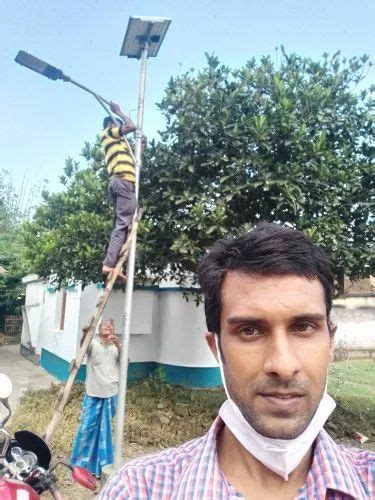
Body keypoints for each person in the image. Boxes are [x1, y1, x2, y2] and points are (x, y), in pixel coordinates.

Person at [99, 223, 374, 499]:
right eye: (250, 331)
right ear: (216, 348)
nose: (283, 365)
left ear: (330, 342)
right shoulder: (136, 490)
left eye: (303, 327)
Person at [70, 319, 121, 478]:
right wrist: (85, 333)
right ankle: (79, 467)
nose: (108, 325)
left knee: (104, 433)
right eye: (105, 323)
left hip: (111, 393)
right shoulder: (93, 344)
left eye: (111, 324)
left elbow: (126, 362)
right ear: (99, 329)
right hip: (93, 394)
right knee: (86, 429)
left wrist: (119, 344)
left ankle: (102, 468)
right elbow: (83, 347)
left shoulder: (116, 347)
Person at [101, 102, 146, 280]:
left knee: (119, 226)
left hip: (120, 183)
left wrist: (142, 145)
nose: (121, 128)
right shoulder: (108, 134)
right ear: (112, 125)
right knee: (122, 226)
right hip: (123, 183)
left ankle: (110, 264)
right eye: (118, 125)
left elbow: (136, 160)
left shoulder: (120, 146)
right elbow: (132, 126)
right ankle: (109, 265)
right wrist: (118, 112)